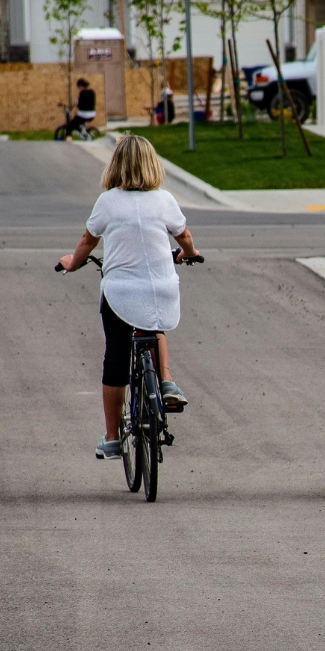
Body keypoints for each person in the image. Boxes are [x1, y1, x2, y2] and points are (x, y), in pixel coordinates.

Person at [58, 134, 201, 460]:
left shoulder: (108, 201)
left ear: (116, 166)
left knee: (117, 358)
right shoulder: (164, 199)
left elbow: (87, 241)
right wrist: (189, 253)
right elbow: (185, 236)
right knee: (153, 326)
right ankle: (166, 382)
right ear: (152, 165)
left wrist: (72, 262)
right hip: (160, 289)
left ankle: (112, 437)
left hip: (121, 293)